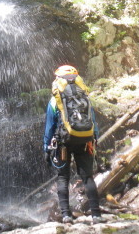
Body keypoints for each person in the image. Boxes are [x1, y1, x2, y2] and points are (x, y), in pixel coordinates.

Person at [43, 65, 104, 225]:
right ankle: (96, 215)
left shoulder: (55, 100)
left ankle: (66, 216)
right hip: (85, 140)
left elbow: (50, 127)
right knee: (88, 177)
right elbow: (93, 121)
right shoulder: (85, 97)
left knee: (63, 177)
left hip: (62, 142)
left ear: (58, 79)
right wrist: (94, 139)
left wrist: (46, 147)